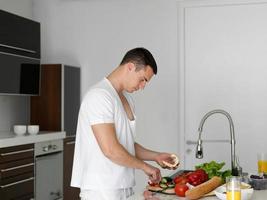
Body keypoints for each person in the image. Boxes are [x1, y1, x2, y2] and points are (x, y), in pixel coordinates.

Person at [71, 47, 179, 200]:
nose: (142, 87)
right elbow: (111, 150)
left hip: (123, 186)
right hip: (101, 189)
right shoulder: (99, 96)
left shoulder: (126, 99)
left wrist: (156, 156)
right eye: (142, 79)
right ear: (130, 67)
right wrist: (144, 166)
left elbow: (125, 144)